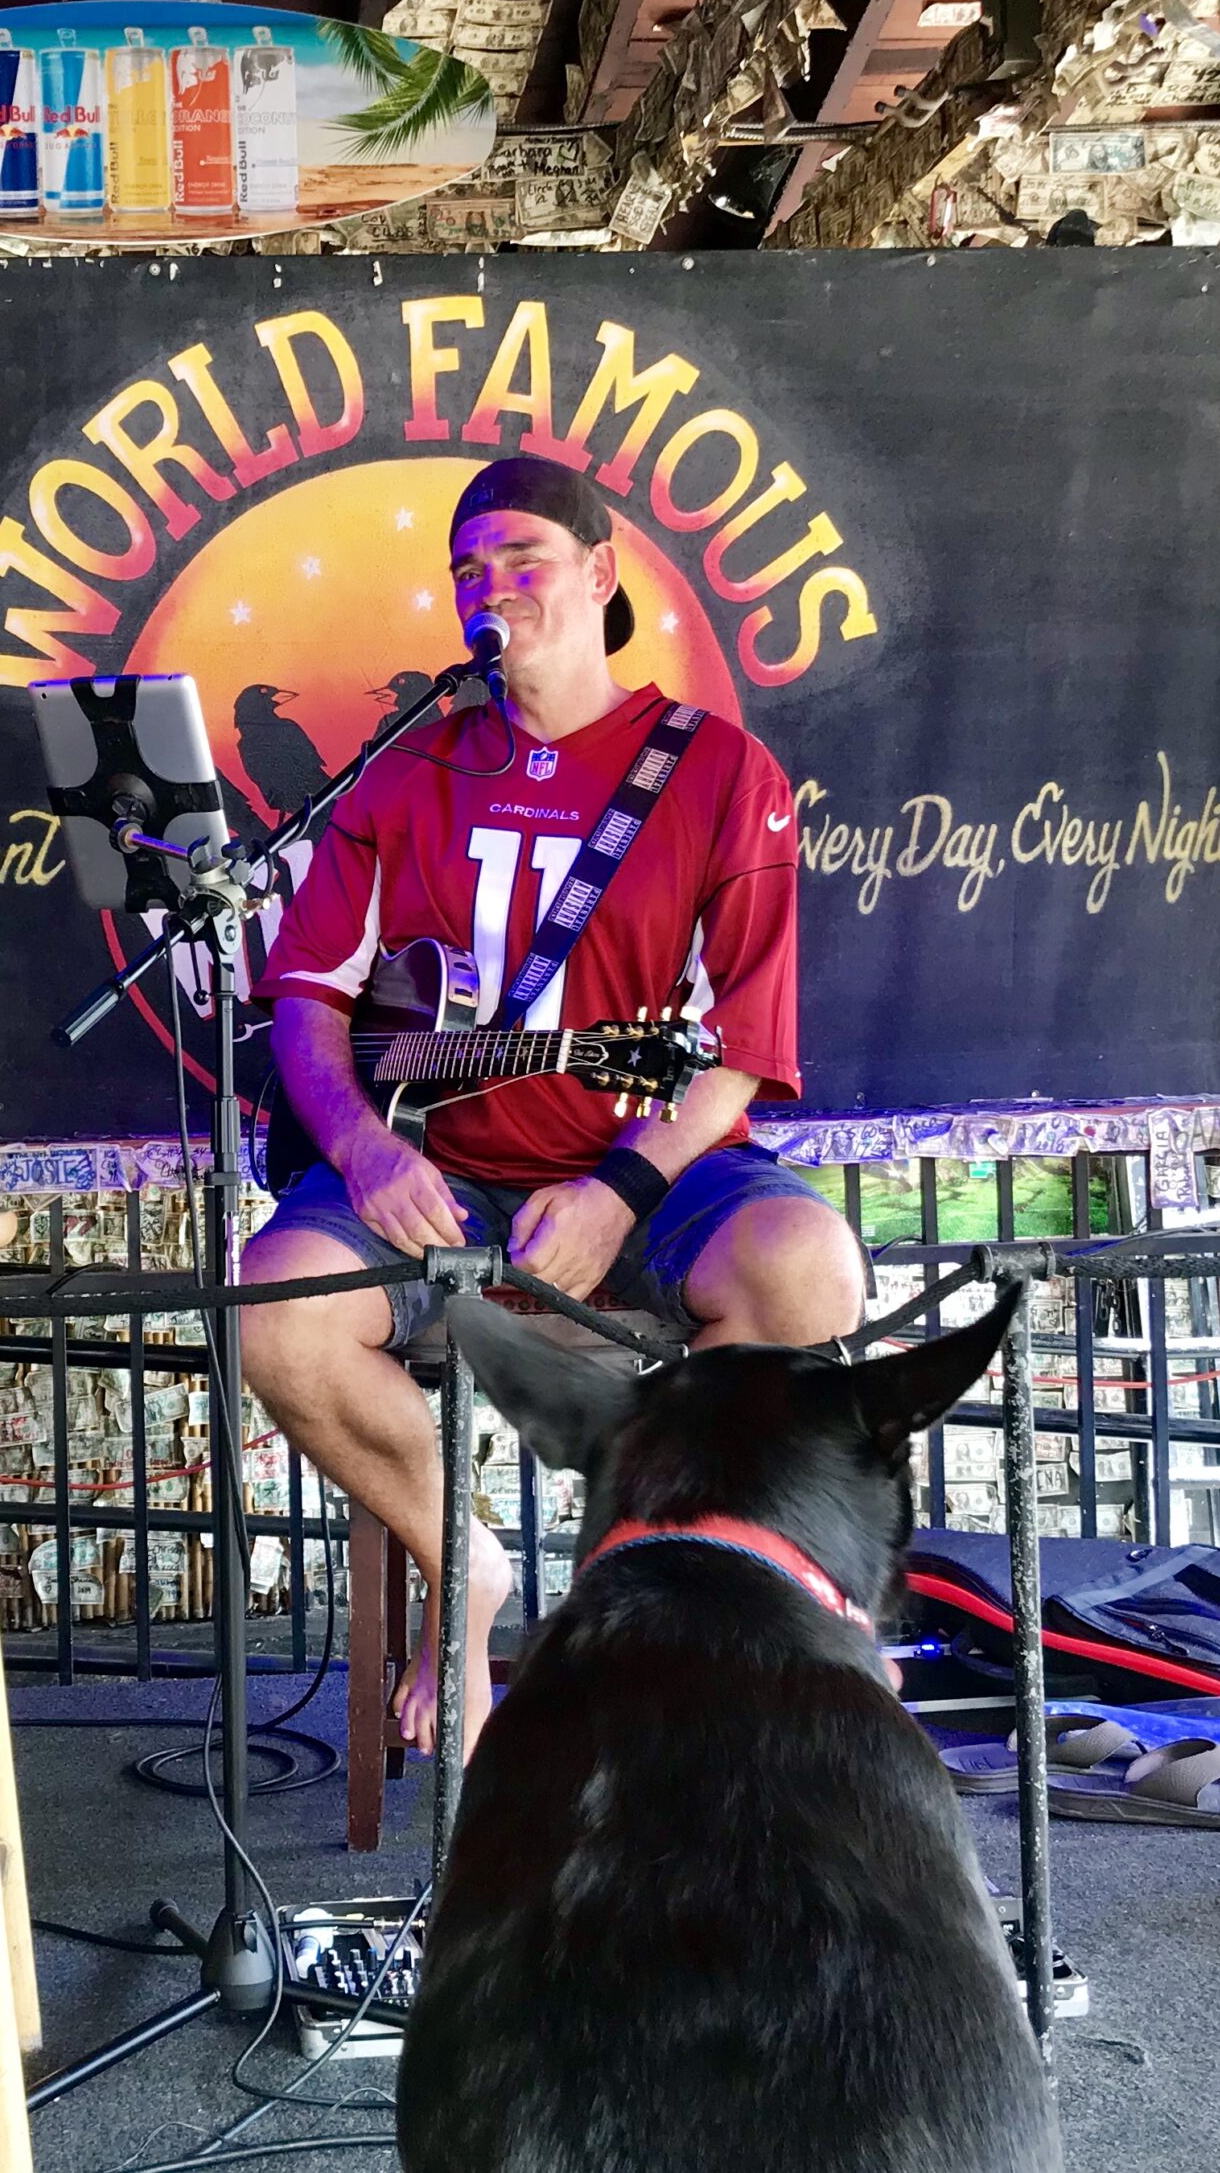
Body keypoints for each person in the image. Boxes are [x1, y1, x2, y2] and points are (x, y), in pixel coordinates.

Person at [240, 456, 866, 1760]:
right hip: (440, 1173)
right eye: (469, 569)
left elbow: (738, 1052)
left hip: (658, 1176)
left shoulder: (714, 770)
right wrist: (360, 1146)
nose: (492, 587)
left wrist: (620, 1187)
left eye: (523, 558)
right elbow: (304, 996)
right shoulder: (405, 771)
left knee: (811, 1271)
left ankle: (663, 1617)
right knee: (277, 1312)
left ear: (601, 573)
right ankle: (463, 1571)